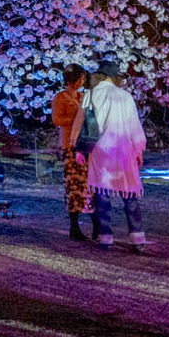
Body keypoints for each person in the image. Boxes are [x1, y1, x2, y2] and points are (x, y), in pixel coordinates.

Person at [70, 60, 147, 250]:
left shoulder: (92, 95)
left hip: (101, 149)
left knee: (101, 192)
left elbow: (82, 123)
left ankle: (105, 236)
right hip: (124, 149)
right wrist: (138, 149)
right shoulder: (125, 96)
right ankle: (137, 237)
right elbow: (133, 125)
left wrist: (78, 148)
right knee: (129, 193)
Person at [51, 65, 89, 241]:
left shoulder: (82, 97)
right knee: (73, 185)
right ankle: (74, 225)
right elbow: (57, 119)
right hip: (69, 146)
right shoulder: (60, 98)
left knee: (87, 184)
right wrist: (76, 119)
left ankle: (93, 222)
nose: (82, 81)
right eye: (80, 78)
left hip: (85, 145)